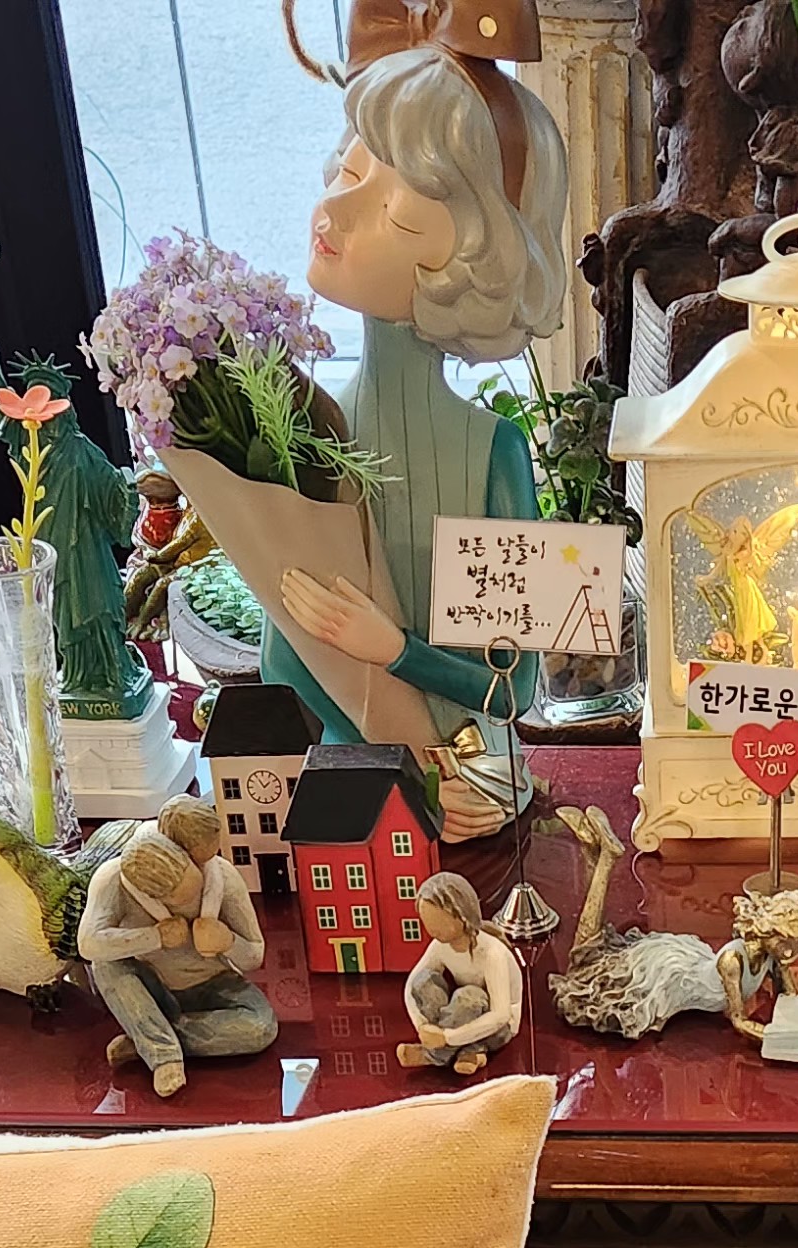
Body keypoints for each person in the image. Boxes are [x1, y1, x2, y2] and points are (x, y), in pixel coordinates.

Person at [256, 40, 571, 746]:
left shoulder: (494, 450)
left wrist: (393, 649)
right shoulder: (305, 432)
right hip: (347, 776)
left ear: (470, 264)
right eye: (347, 170)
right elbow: (283, 670)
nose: (334, 208)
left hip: (474, 771)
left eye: (396, 211)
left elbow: (514, 689)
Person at [75, 826, 277, 1095]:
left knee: (260, 1028)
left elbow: (254, 956)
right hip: (150, 986)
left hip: (216, 983)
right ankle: (164, 1056)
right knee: (105, 963)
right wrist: (155, 937)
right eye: (177, 900)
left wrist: (227, 941)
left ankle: (148, 1040)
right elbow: (88, 944)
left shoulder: (222, 876)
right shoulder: (112, 879)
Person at [399, 870, 524, 1074]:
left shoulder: (492, 954)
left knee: (468, 997)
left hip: (498, 1026)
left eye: (439, 922)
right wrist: (422, 1026)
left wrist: (447, 1037)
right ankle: (467, 1051)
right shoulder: (440, 945)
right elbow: (411, 985)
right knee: (424, 982)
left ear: (462, 916)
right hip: (461, 1015)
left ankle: (436, 1054)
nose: (432, 929)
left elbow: (500, 1015)